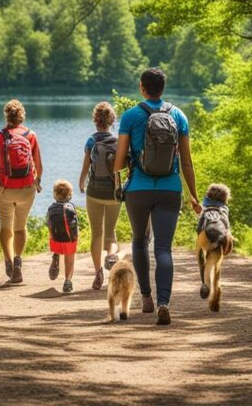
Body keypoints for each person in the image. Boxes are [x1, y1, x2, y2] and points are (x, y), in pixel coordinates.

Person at [111, 68, 200, 326]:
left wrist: (117, 182)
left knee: (139, 241)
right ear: (163, 88)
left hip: (138, 188)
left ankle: (147, 297)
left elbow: (119, 160)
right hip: (170, 188)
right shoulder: (179, 115)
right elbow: (187, 162)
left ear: (142, 87)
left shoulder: (131, 116)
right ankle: (164, 302)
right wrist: (194, 196)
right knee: (163, 247)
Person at [0, 99, 43, 283]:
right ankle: (18, 260)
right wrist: (38, 181)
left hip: (5, 188)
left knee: (5, 226)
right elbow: (39, 166)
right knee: (20, 226)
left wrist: (1, 164)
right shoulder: (31, 135)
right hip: (27, 188)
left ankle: (8, 261)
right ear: (22, 116)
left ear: (6, 116)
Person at [78, 101, 122, 291]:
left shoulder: (91, 141)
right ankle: (111, 257)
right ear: (111, 120)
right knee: (110, 234)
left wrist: (81, 183)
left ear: (95, 120)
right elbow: (122, 169)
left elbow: (86, 167)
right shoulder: (119, 141)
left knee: (96, 233)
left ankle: (98, 272)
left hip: (94, 192)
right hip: (114, 193)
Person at [46, 179, 79, 293]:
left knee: (58, 247)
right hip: (69, 239)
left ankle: (56, 255)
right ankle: (67, 282)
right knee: (70, 258)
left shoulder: (51, 208)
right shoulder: (71, 207)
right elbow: (75, 226)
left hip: (55, 239)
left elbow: (49, 224)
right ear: (70, 194)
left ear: (55, 194)